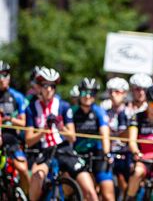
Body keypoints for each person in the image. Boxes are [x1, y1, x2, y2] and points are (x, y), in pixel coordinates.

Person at [25, 67, 98, 201]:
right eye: (45, 85)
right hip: (45, 150)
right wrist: (44, 129)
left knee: (90, 190)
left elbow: (72, 136)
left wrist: (60, 126)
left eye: (52, 86)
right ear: (39, 87)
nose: (49, 89)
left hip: (64, 149)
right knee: (37, 177)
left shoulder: (63, 106)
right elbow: (29, 140)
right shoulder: (31, 108)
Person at [73, 77, 114, 201]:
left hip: (98, 154)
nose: (88, 96)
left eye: (91, 93)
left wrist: (106, 152)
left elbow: (105, 134)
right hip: (78, 154)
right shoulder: (73, 111)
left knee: (108, 194)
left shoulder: (99, 112)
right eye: (85, 92)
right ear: (79, 93)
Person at [0, 60, 30, 194]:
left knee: (23, 169)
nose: (2, 79)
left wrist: (9, 119)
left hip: (12, 139)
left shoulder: (17, 97)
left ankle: (27, 195)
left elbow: (24, 123)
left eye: (5, 75)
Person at [105, 77, 131, 199]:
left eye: (117, 91)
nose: (113, 95)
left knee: (124, 183)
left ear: (124, 94)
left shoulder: (129, 113)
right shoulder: (105, 112)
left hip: (125, 153)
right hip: (108, 153)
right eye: (111, 91)